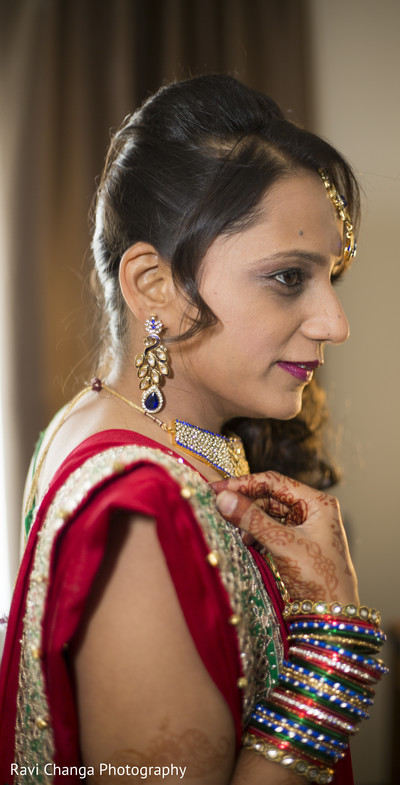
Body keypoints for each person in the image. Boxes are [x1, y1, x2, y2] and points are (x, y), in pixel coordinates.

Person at [0, 75, 387, 785]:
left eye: (330, 277)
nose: (336, 323)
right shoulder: (143, 516)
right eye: (287, 277)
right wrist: (337, 646)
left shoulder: (93, 419)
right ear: (155, 286)